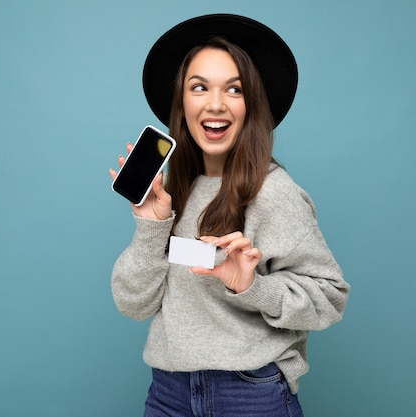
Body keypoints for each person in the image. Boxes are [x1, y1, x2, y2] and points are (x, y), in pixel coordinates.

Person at [109, 14, 350, 417]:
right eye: (199, 87)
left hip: (250, 394)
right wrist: (152, 227)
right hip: (169, 392)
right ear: (182, 102)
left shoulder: (275, 193)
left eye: (233, 89)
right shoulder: (172, 192)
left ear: (250, 103)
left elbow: (329, 298)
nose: (215, 104)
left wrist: (252, 286)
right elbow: (132, 305)